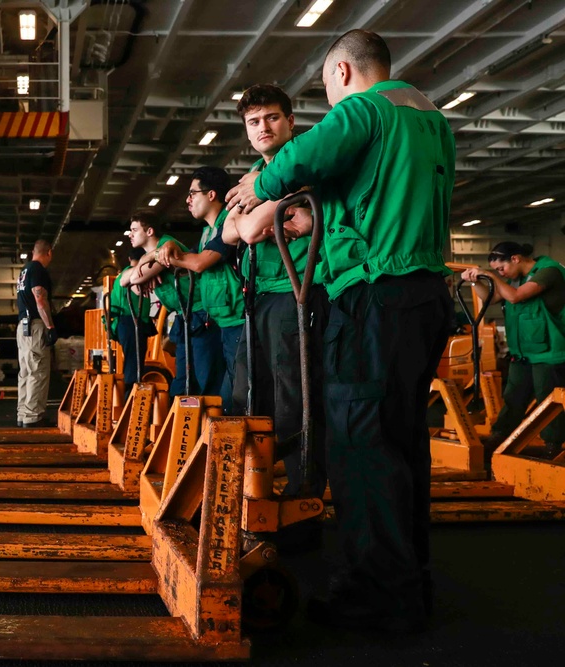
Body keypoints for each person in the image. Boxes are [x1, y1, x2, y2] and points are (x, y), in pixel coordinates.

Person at [227, 30, 455, 633]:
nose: (332, 101)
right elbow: (379, 199)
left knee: (360, 450)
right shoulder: (428, 114)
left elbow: (306, 156)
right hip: (424, 293)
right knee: (403, 445)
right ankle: (410, 585)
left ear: (345, 73)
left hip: (375, 299)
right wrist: (317, 216)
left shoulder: (365, 106)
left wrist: (260, 185)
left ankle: (375, 599)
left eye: (330, 88)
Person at [223, 83, 329, 501]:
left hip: (297, 291)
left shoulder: (299, 166)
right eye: (254, 122)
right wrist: (254, 213)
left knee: (292, 399)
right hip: (262, 295)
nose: (263, 127)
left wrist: (255, 209)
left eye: (271, 118)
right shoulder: (259, 174)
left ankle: (305, 490)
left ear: (290, 121)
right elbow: (230, 232)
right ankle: (258, 482)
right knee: (247, 391)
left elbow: (246, 228)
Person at [462, 242, 565, 458]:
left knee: (549, 402)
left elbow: (515, 296)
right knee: (514, 396)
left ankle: (553, 447)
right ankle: (499, 437)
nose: (501, 273)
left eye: (501, 268)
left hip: (550, 352)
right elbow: (492, 298)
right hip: (523, 352)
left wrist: (491, 276)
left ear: (516, 259)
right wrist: (476, 281)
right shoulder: (514, 278)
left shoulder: (549, 272)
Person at [154, 166, 244, 413]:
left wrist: (164, 254)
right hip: (221, 320)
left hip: (239, 319)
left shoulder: (230, 223)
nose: (188, 199)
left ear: (212, 194)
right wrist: (169, 247)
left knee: (231, 391)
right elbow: (189, 259)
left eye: (193, 193)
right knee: (219, 386)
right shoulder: (207, 233)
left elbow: (199, 262)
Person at [16, 239, 56, 427]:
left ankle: (23, 413)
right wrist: (50, 327)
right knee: (37, 371)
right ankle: (33, 417)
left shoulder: (24, 271)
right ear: (49, 252)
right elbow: (40, 301)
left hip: (22, 326)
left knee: (25, 371)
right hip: (35, 325)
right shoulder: (38, 270)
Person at [108, 246, 154, 395]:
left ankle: (129, 396)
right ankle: (131, 398)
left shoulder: (120, 276)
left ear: (129, 259)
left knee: (132, 360)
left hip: (125, 323)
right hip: (132, 322)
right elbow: (139, 291)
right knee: (134, 363)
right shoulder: (135, 273)